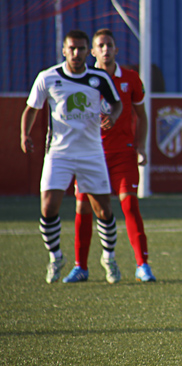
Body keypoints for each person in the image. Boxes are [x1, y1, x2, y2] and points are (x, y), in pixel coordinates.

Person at [20, 29, 123, 284]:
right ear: (64, 51)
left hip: (91, 153)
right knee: (48, 207)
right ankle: (56, 257)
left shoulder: (99, 77)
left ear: (89, 52)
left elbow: (117, 103)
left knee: (104, 210)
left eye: (81, 49)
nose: (76, 53)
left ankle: (108, 258)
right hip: (59, 153)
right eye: (72, 49)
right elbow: (31, 109)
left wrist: (114, 115)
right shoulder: (48, 77)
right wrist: (24, 134)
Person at [65, 29, 155, 283]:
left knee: (129, 204)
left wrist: (141, 147)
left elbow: (142, 115)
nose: (105, 49)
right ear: (92, 51)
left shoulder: (130, 78)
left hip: (123, 154)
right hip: (89, 155)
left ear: (116, 50)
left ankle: (142, 266)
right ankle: (80, 266)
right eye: (100, 45)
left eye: (109, 45)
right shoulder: (80, 79)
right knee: (82, 206)